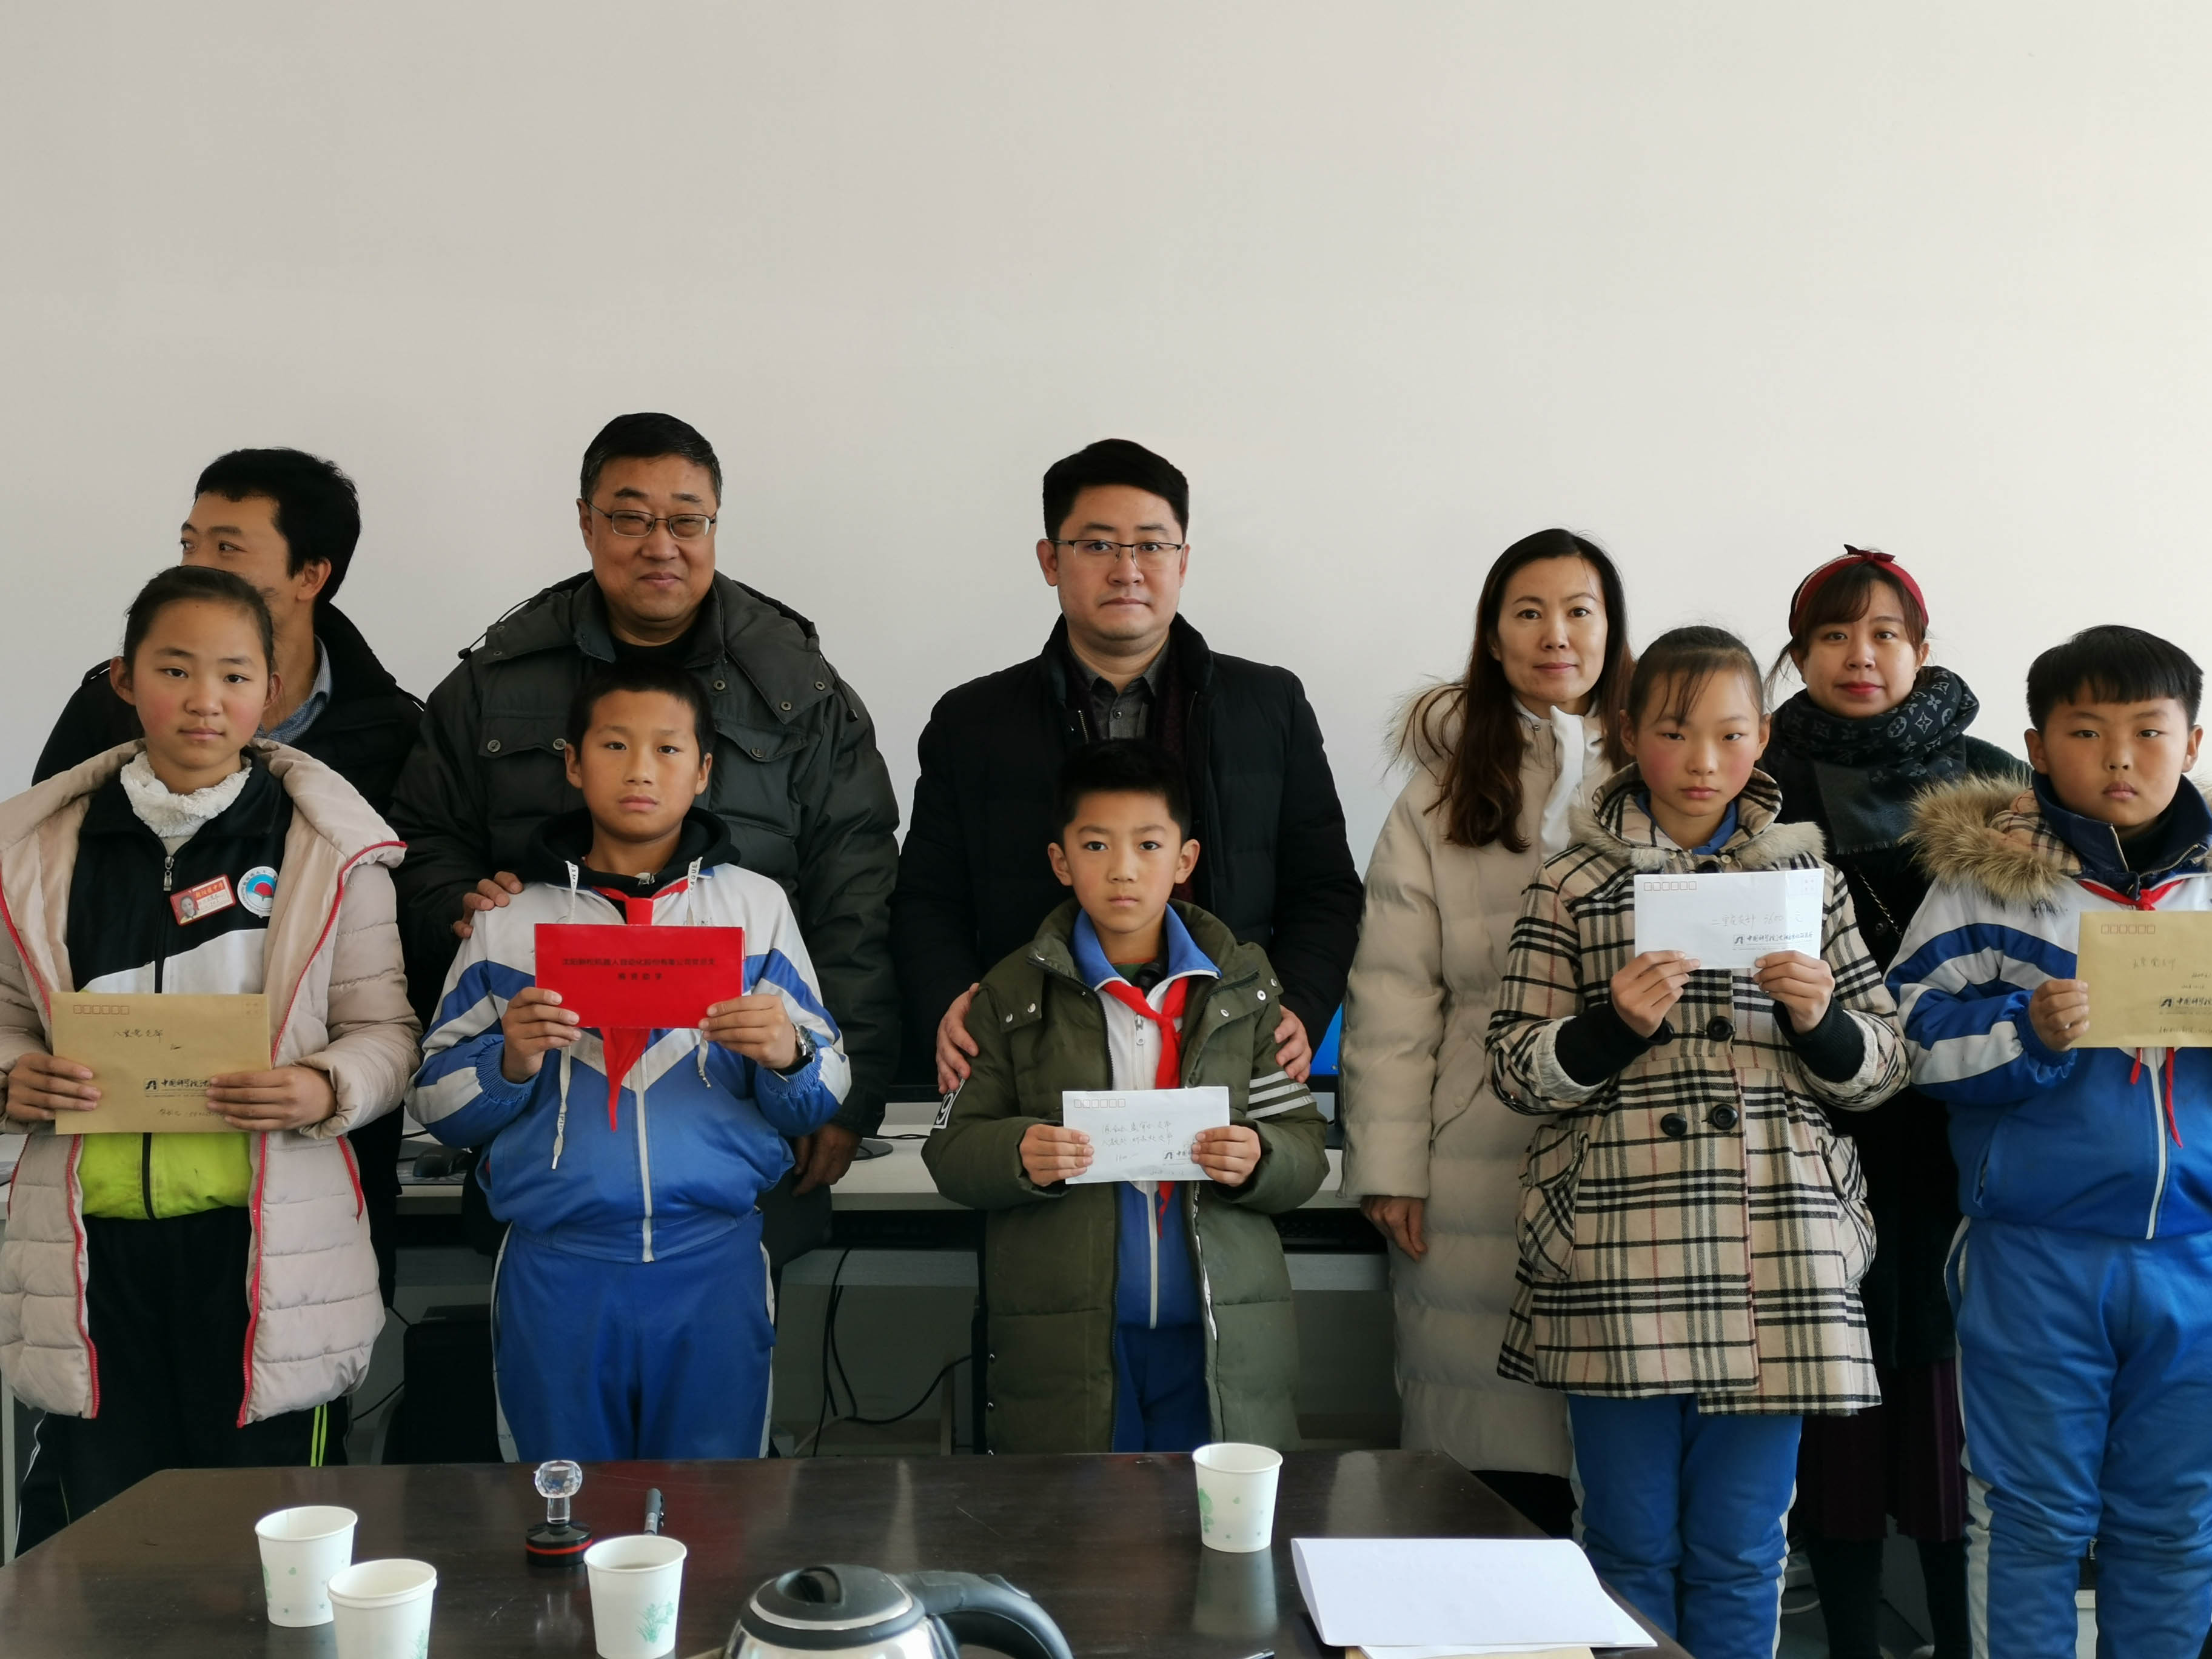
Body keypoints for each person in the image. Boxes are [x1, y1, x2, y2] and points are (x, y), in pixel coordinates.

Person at [1487, 625, 1908, 1659]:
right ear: (1630, 735)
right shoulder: (1572, 883)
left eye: (1728, 733)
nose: (1703, 760)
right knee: (1622, 1545)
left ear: (1761, 735)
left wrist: (1820, 1021)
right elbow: (1511, 1067)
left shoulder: (1808, 880)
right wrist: (1610, 1029)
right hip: (1617, 1246)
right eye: (1674, 733)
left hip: (1779, 1250)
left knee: (1743, 1547)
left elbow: (1885, 1066)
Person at [0, 566, 418, 1551]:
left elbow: (388, 1034)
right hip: (90, 1257)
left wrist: (322, 1085)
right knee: (103, 1556)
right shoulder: (39, 849)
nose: (204, 699)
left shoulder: (330, 848)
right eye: (174, 669)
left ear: (270, 691)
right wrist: (12, 1074)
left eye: (234, 675)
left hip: (265, 1254)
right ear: (124, 680)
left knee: (271, 1554)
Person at [388, 412, 897, 1216]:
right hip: (546, 1129)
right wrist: (455, 902)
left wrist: (847, 1092)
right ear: (587, 522)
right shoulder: (497, 679)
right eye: (631, 518)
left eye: (687, 521)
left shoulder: (796, 685)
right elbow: (420, 838)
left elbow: (857, 892)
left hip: (741, 1109)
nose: (662, 545)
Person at [408, 660, 846, 1461]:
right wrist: (509, 1061)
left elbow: (825, 1091)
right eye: (614, 745)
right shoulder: (511, 917)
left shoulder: (755, 909)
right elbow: (432, 1102)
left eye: (668, 749)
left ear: (704, 770)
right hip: (557, 1269)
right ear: (573, 764)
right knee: (560, 1503)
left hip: (714, 1263)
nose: (641, 770)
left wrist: (788, 1055)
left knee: (715, 1506)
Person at [33, 447, 424, 1303]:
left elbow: (392, 981)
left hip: (306, 1169)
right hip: (99, 1184)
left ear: (312, 574)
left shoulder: (393, 731)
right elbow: (34, 921)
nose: (197, 564)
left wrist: (330, 1084)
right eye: (189, 542)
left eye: (228, 547)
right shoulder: (106, 709)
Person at [1889, 625, 2212, 1659]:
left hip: (2198, 1260)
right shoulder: (1988, 885)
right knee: (2030, 1519)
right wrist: (2024, 1031)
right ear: (2036, 747)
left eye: (2148, 731)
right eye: (2085, 731)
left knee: (2175, 1523)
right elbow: (1903, 1043)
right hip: (2033, 1253)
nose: (2119, 757)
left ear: (2192, 743)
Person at [893, 438, 1361, 1099]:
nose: (1128, 570)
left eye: (1151, 545)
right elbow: (928, 899)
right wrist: (951, 1000)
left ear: (1183, 560)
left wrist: (1299, 1006)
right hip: (1036, 1068)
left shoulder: (1270, 706)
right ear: (1050, 560)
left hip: (1228, 1060)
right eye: (1098, 545)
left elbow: (1325, 889)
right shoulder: (973, 722)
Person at [1338, 528, 1634, 1538]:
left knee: (1627, 1464)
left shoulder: (1665, 769)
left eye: (1579, 611)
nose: (1556, 635)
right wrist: (1389, 1166)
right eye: (1528, 612)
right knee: (1488, 1468)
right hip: (1473, 1143)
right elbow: (1391, 992)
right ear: (1493, 635)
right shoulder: (1438, 792)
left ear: (1611, 630)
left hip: (1634, 1138)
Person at [1763, 548, 2023, 1659]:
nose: (1858, 657)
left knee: (1947, 1394)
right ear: (1799, 655)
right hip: (1812, 1129)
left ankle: (1959, 1635)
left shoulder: (1996, 784)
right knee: (1835, 1387)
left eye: (1883, 634)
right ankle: (1850, 1636)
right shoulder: (1758, 778)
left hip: (1962, 1132)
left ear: (1920, 648)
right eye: (1832, 636)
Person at [923, 742, 1329, 1453]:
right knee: (1080, 1517)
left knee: (1207, 1515)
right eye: (1095, 845)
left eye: (1148, 845)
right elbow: (951, 1151)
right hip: (1069, 1346)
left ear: (1185, 859)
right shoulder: (1011, 993)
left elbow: (1304, 1146)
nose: (1122, 869)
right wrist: (1017, 1153)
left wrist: (1261, 1158)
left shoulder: (1245, 989)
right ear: (1060, 862)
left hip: (1217, 1343)